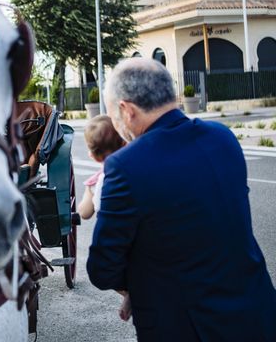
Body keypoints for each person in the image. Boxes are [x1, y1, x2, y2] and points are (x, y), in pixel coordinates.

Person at [86, 58, 276, 341]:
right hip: (256, 311)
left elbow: (103, 268)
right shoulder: (222, 137)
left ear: (126, 111)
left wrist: (135, 286)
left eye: (113, 114)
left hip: (186, 326)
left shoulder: (125, 166)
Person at [77, 115, 129, 321]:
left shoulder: (96, 181)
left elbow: (84, 213)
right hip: (139, 239)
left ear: (92, 155)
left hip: (115, 246)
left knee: (103, 268)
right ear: (124, 142)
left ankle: (127, 293)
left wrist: (84, 199)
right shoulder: (133, 170)